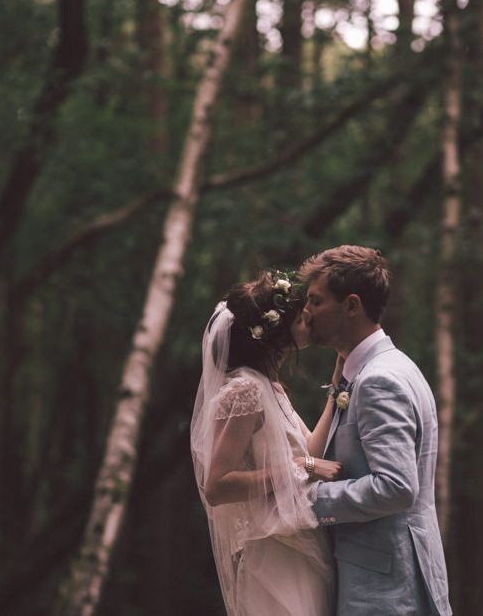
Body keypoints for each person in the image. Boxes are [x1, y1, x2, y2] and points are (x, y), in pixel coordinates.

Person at [298, 245, 453, 616]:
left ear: (351, 305)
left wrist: (307, 501)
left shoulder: (380, 380)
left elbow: (397, 487)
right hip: (385, 579)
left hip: (388, 589)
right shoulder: (377, 370)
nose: (306, 313)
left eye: (316, 302)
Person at [190, 270, 342, 616]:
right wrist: (300, 468)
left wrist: (338, 384)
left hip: (298, 540)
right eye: (302, 318)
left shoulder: (270, 388)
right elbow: (217, 485)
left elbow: (312, 451)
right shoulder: (245, 390)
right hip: (273, 550)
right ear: (276, 333)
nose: (310, 320)